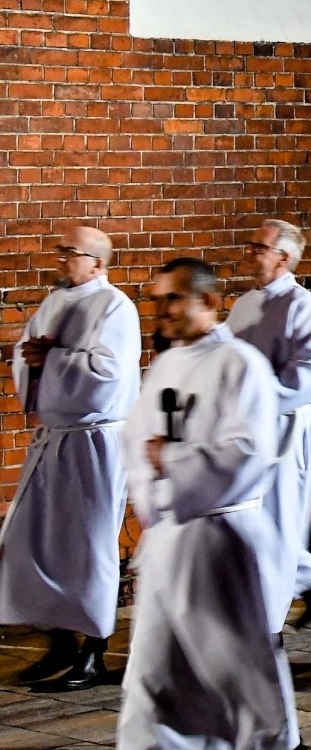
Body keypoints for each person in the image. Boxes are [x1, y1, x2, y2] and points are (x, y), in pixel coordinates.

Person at [119, 257, 299, 750]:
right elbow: (137, 440)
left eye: (173, 298)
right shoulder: (167, 364)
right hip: (169, 544)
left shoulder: (240, 365)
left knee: (236, 676)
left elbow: (248, 453)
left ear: (211, 302)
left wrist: (173, 460)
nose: (162, 310)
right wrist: (151, 494)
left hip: (218, 543)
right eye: (156, 300)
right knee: (152, 682)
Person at [0, 226, 141, 691]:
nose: (60, 259)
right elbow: (27, 356)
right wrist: (33, 359)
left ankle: (94, 652)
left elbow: (109, 372)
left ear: (98, 263)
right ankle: (58, 642)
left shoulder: (116, 306)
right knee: (35, 539)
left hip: (95, 441)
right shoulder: (55, 301)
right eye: (60, 251)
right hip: (55, 437)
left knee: (91, 544)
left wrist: (52, 359)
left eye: (70, 253)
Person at [227, 219, 311, 630]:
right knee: (253, 517)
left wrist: (258, 392)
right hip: (248, 429)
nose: (250, 253)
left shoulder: (302, 305)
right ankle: (308, 580)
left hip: (286, 428)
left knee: (279, 515)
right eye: (252, 245)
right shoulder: (244, 304)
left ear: (285, 257)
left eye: (260, 247)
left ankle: (271, 618)